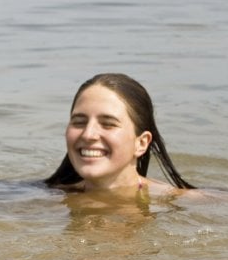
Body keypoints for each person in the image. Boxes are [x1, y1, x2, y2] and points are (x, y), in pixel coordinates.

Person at [45, 73, 195, 195]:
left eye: (108, 124)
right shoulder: (42, 204)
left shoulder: (182, 203)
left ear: (141, 143)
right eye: (79, 122)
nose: (88, 134)